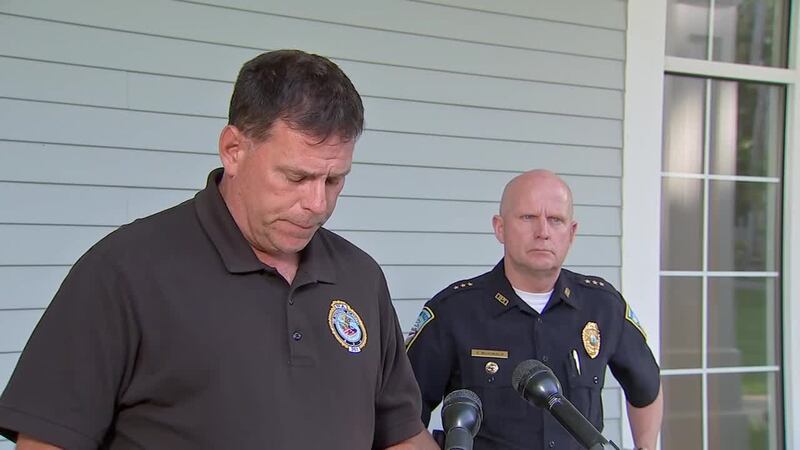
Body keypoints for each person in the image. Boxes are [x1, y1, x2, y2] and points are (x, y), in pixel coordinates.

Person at [0, 50, 438, 450]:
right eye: (296, 177)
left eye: (334, 180)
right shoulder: (125, 271)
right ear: (233, 150)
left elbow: (401, 435)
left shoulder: (359, 277)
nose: (317, 204)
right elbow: (46, 441)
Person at [405, 170, 663, 450]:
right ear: (500, 228)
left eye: (556, 220)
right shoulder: (454, 312)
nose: (543, 232)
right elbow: (403, 416)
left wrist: (646, 445)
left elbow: (646, 387)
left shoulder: (602, 306)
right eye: (528, 217)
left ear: (571, 233)